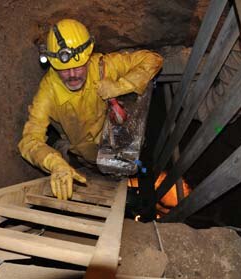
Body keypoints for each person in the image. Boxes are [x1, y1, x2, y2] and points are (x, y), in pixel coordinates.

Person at [18, 19, 163, 200]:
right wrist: (54, 163)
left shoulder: (103, 66)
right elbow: (29, 140)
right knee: (88, 162)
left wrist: (120, 86)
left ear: (88, 56)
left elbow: (153, 59)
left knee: (128, 160)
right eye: (64, 69)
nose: (72, 75)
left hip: (112, 137)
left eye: (79, 66)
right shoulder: (48, 91)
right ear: (52, 63)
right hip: (84, 155)